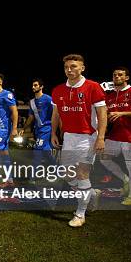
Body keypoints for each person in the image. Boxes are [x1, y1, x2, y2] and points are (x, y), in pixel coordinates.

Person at [51, 54, 107, 228]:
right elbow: (56, 114)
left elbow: (102, 113)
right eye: (67, 67)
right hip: (68, 137)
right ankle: (91, 194)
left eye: (74, 66)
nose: (69, 70)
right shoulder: (58, 89)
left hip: (87, 138)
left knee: (82, 174)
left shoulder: (93, 87)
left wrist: (101, 137)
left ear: (82, 68)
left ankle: (80, 214)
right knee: (68, 174)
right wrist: (54, 133)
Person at [98, 67, 131, 205]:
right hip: (114, 136)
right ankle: (125, 180)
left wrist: (122, 113)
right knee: (103, 158)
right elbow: (106, 114)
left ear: (127, 77)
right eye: (114, 74)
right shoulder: (109, 95)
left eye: (120, 75)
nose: (116, 77)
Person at [21, 78, 57, 170]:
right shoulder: (32, 102)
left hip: (46, 129)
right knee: (47, 153)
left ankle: (32, 177)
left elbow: (56, 114)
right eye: (33, 85)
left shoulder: (48, 99)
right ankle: (59, 171)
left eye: (36, 85)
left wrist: (58, 129)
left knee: (37, 150)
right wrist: (23, 128)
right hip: (37, 130)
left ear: (41, 87)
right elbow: (31, 117)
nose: (33, 87)